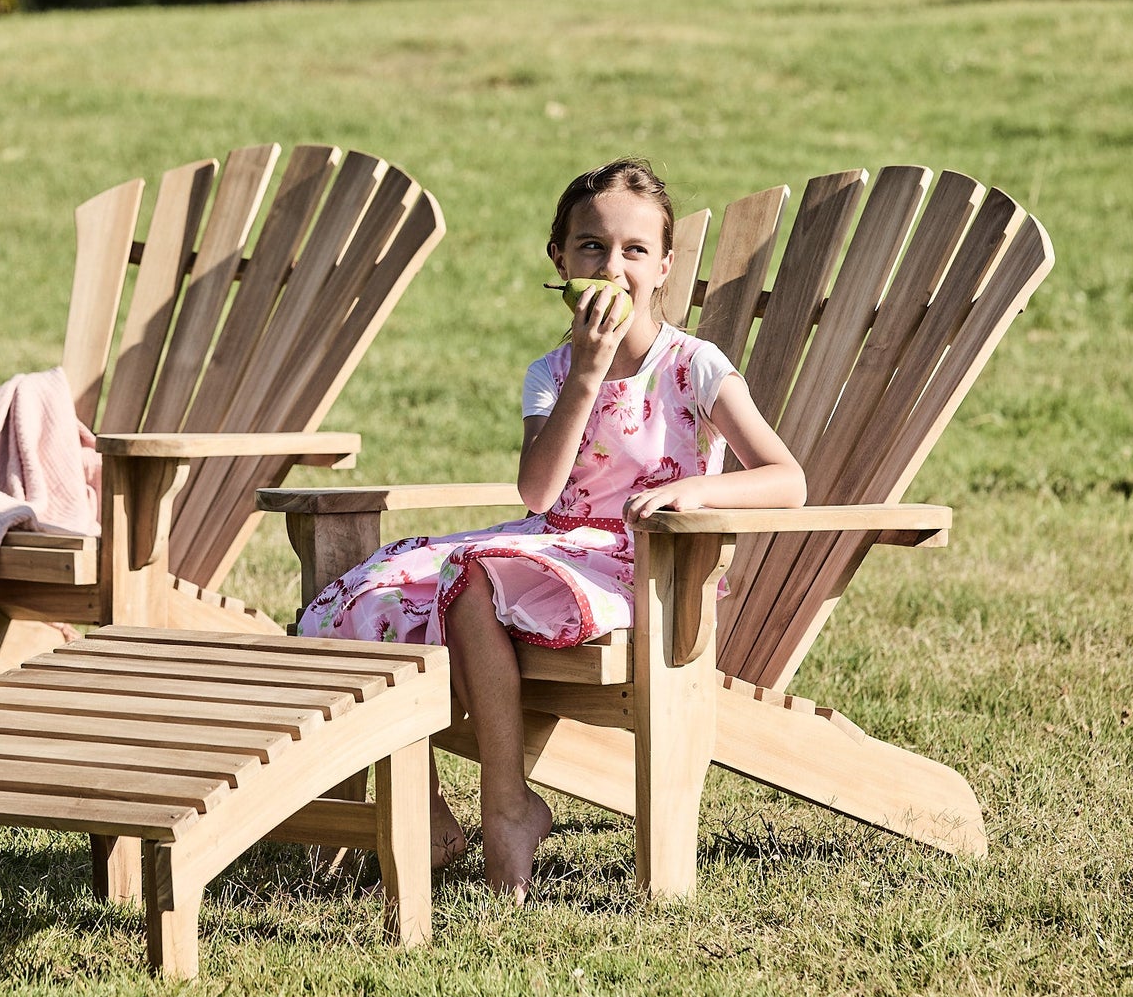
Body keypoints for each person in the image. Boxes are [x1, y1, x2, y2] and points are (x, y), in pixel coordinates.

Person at [297, 158, 807, 898]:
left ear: (664, 266)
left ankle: (506, 811)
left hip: (650, 572)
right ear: (560, 260)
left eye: (635, 250)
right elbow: (540, 491)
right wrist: (586, 376)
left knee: (475, 579)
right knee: (364, 594)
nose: (613, 264)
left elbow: (786, 478)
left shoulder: (694, 367)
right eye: (592, 247)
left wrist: (695, 489)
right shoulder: (554, 371)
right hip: (552, 548)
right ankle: (433, 814)